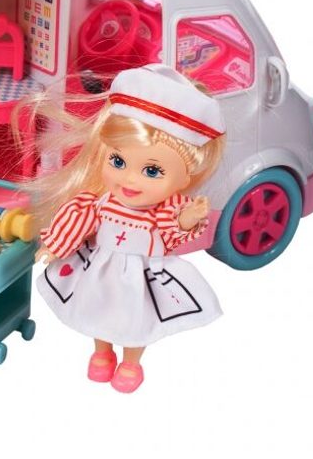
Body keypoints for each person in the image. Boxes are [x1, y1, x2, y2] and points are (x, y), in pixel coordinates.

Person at [27, 64, 226, 393]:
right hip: (101, 267)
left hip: (140, 274)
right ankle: (102, 353)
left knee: (136, 320)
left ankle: (131, 362)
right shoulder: (100, 202)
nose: (130, 180)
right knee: (97, 309)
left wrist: (188, 218)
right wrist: (55, 244)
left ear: (184, 178)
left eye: (152, 171)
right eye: (118, 162)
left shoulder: (163, 211)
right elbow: (79, 219)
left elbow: (172, 228)